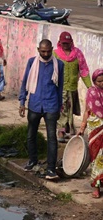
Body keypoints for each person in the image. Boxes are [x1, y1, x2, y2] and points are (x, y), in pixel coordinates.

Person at [19, 39, 64, 180]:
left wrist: (58, 107)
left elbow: (60, 87)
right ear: (38, 49)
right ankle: (32, 161)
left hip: (51, 105)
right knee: (31, 134)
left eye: (48, 51)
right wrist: (22, 102)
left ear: (52, 50)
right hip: (34, 104)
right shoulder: (32, 62)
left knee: (52, 137)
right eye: (43, 51)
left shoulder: (59, 65)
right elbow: (25, 81)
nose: (45, 54)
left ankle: (51, 169)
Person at [53, 31, 92, 142]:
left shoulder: (77, 54)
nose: (66, 45)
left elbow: (84, 70)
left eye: (68, 43)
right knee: (62, 109)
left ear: (71, 43)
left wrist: (90, 87)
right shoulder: (55, 54)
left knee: (70, 110)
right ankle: (61, 131)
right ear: (60, 42)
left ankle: (69, 128)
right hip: (60, 88)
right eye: (64, 43)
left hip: (73, 88)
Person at [77, 69, 103, 199]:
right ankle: (96, 187)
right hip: (95, 129)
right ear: (94, 81)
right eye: (99, 81)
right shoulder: (92, 92)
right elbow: (87, 111)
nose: (102, 83)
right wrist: (82, 127)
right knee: (96, 159)